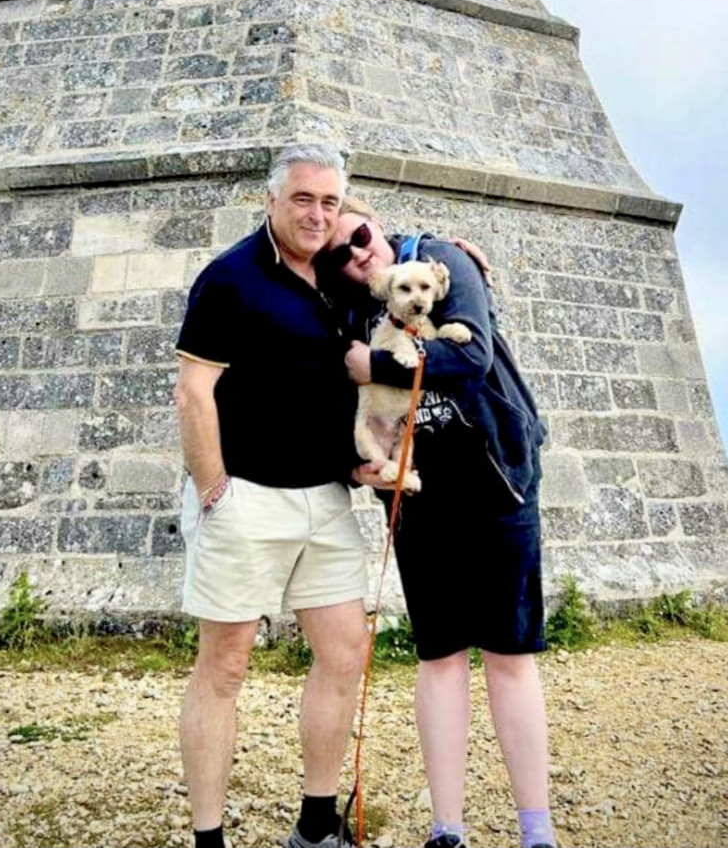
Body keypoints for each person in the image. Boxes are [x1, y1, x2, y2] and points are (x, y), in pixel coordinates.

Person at [319, 197, 556, 848]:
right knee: (440, 658)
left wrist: (380, 363)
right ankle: (447, 828)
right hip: (419, 502)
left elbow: (471, 360)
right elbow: (340, 395)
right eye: (339, 253)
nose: (356, 253)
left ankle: (537, 829)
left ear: (373, 221)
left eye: (359, 235)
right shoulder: (350, 308)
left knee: (510, 655)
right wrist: (355, 462)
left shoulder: (446, 261)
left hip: (498, 486)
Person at [175, 143, 374, 848]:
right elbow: (193, 390)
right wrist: (213, 490)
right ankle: (209, 840)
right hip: (247, 499)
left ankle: (316, 826)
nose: (317, 213)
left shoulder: (337, 272)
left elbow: (397, 253)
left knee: (345, 652)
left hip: (325, 500)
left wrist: (443, 248)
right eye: (302, 199)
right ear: (270, 199)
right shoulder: (229, 279)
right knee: (224, 665)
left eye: (329, 200)